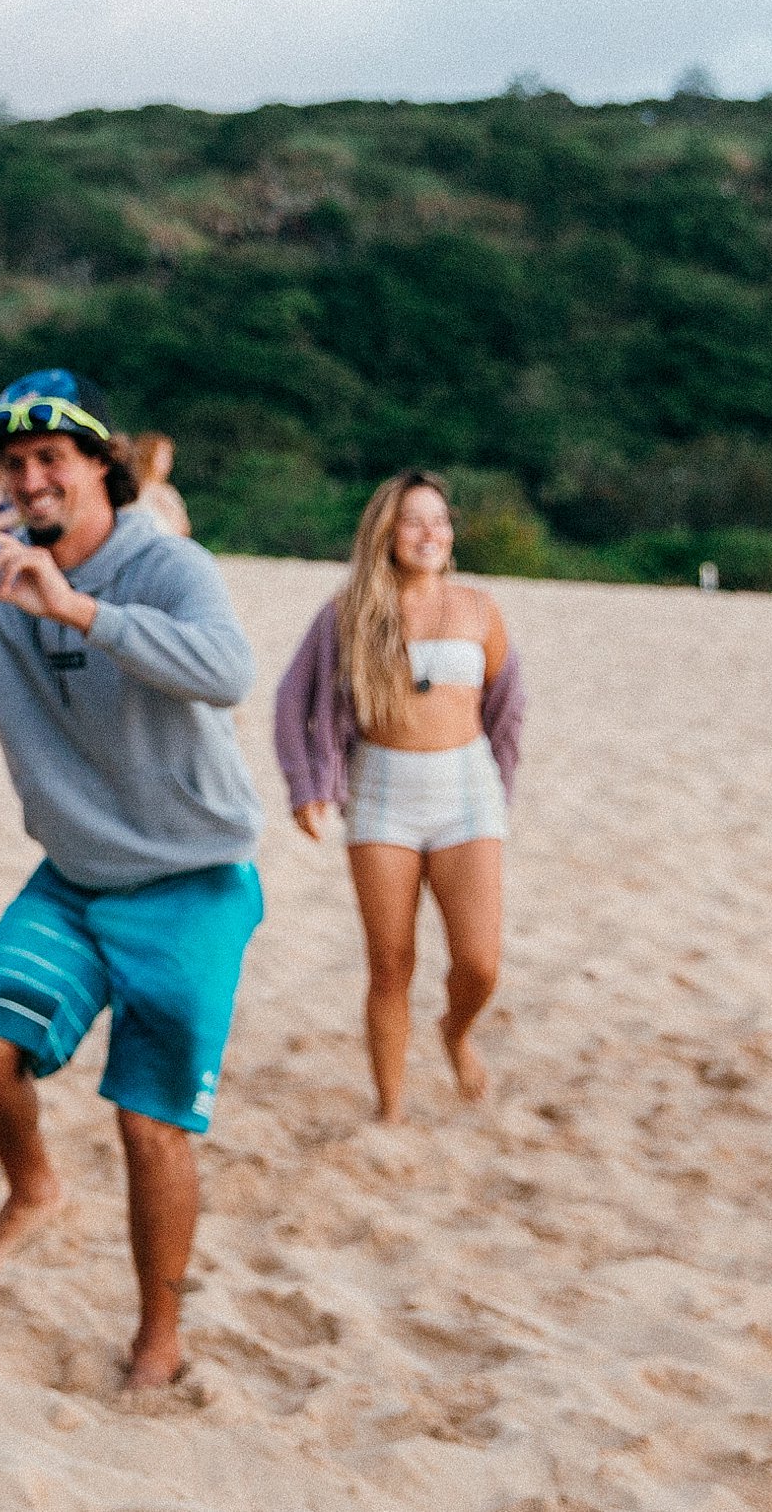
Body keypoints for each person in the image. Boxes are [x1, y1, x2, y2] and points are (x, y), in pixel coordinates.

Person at [0, 366, 263, 1389]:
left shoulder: (161, 562)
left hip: (194, 875)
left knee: (148, 1118)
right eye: (14, 462)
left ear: (100, 467)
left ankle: (157, 1331)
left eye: (53, 459)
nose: (32, 479)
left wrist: (79, 609)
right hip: (77, 878)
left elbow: (226, 669)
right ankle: (33, 1187)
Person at [273, 471, 523, 1121]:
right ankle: (390, 1108)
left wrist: (502, 787)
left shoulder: (479, 608)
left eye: (439, 520)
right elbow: (290, 698)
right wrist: (308, 785)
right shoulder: (349, 611)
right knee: (391, 965)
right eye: (413, 520)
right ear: (387, 531)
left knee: (480, 962)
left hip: (468, 791)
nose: (428, 533)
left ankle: (456, 1031)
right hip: (381, 793)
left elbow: (507, 707)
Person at [129, 430, 190, 538]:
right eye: (163, 456)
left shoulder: (168, 492)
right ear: (147, 455)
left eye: (169, 456)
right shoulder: (133, 492)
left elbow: (183, 528)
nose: (169, 462)